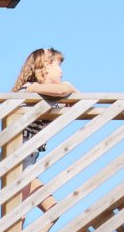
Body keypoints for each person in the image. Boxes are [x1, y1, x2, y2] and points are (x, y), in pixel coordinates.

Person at [12, 46, 76, 219]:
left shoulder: (48, 98)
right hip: (18, 157)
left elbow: (77, 100)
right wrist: (68, 86)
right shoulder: (29, 88)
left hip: (29, 160)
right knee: (19, 215)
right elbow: (63, 90)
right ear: (46, 66)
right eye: (58, 65)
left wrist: (69, 90)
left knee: (53, 210)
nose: (61, 71)